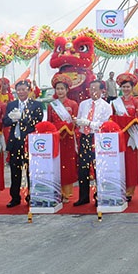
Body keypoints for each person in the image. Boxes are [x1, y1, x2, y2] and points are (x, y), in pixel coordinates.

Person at [3, 80, 45, 207]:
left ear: (29, 90)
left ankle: (32, 196)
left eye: (23, 89)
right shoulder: (11, 104)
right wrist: (12, 119)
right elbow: (5, 121)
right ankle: (15, 198)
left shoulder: (36, 104)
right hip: (14, 142)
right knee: (15, 171)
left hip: (29, 142)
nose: (21, 92)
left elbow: (38, 120)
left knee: (30, 171)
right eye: (19, 90)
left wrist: (22, 118)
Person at [73, 79, 112, 206]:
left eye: (95, 89)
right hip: (84, 137)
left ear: (102, 90)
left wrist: (89, 123)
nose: (92, 91)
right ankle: (83, 197)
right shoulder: (83, 104)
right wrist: (79, 122)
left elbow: (105, 125)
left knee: (97, 168)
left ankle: (99, 196)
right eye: (91, 89)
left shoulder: (106, 106)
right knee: (83, 167)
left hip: (97, 137)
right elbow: (79, 119)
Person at [110, 73, 138, 201]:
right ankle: (120, 188)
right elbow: (112, 118)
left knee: (131, 162)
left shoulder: (137, 101)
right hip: (120, 135)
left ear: (132, 87)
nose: (126, 89)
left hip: (132, 135)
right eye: (123, 87)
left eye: (128, 87)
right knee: (119, 161)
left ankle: (129, 191)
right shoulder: (115, 103)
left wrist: (130, 122)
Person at [47, 74, 79, 203]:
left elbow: (76, 122)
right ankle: (57, 191)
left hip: (69, 139)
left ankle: (67, 193)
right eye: (57, 89)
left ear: (67, 90)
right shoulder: (51, 105)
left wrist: (69, 127)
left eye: (62, 89)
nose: (60, 91)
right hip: (56, 138)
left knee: (68, 164)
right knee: (57, 164)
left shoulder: (73, 104)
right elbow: (49, 122)